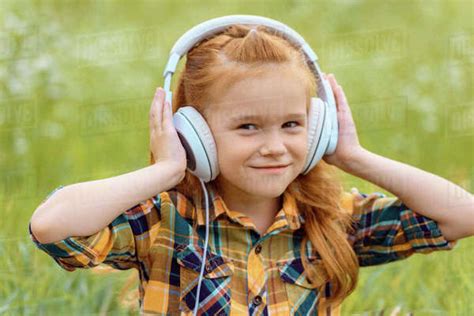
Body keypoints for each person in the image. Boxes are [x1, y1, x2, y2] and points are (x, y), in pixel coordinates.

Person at [28, 22, 473, 316]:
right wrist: (167, 169)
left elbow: (462, 215)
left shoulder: (330, 217)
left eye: (293, 125)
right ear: (195, 132)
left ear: (317, 130)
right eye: (248, 127)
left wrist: (355, 157)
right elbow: (52, 225)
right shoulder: (165, 220)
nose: (275, 147)